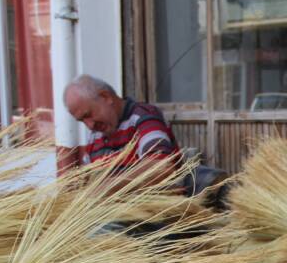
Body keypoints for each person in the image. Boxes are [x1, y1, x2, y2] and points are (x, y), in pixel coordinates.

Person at [63, 74, 226, 200]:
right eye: (82, 120)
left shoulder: (143, 117)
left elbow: (161, 167)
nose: (89, 125)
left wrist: (108, 186)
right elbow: (87, 184)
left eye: (88, 115)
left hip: (156, 218)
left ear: (106, 97)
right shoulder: (95, 137)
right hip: (116, 215)